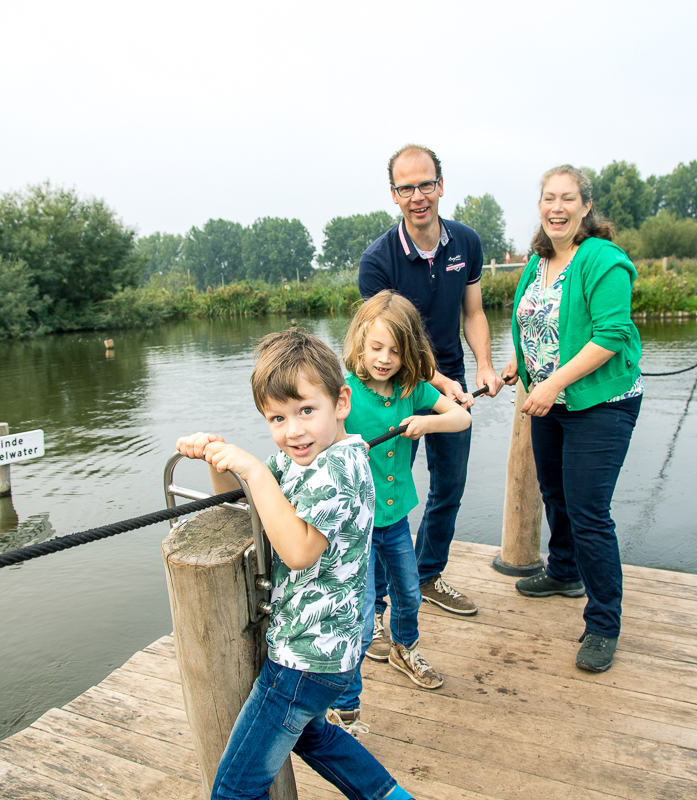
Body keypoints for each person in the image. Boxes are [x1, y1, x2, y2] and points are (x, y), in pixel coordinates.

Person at [175, 329, 413, 800]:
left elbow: (300, 551)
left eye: (307, 410)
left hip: (304, 662)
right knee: (312, 736)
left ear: (341, 402)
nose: (293, 430)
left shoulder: (336, 468)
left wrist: (256, 470)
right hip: (328, 657)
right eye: (277, 418)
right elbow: (241, 502)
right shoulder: (307, 459)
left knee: (234, 790)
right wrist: (219, 456)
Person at [500, 165, 643, 674]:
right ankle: (563, 571)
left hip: (601, 402)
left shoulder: (603, 260)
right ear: (540, 207)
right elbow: (534, 321)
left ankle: (603, 624)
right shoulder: (537, 261)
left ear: (585, 207)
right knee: (555, 493)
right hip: (549, 402)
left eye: (567, 198)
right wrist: (518, 362)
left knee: (588, 511)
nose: (556, 207)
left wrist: (554, 382)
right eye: (547, 198)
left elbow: (611, 335)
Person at [359, 143, 503, 620]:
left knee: (450, 486)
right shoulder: (377, 262)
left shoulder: (467, 242)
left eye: (426, 184)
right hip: (398, 383)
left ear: (440, 186)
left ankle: (427, 574)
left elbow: (475, 311)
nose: (418, 195)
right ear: (394, 196)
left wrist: (482, 365)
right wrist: (436, 382)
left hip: (453, 380)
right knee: (385, 495)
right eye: (407, 188)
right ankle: (377, 604)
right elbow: (385, 342)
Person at [326, 290, 471, 732]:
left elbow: (461, 417)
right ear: (359, 343)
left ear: (409, 351)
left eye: (395, 350)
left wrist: (428, 421)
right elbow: (315, 425)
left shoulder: (412, 390)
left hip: (395, 522)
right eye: (375, 348)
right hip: (356, 527)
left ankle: (404, 649)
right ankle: (346, 702)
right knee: (363, 612)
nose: (384, 359)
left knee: (409, 595)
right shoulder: (344, 391)